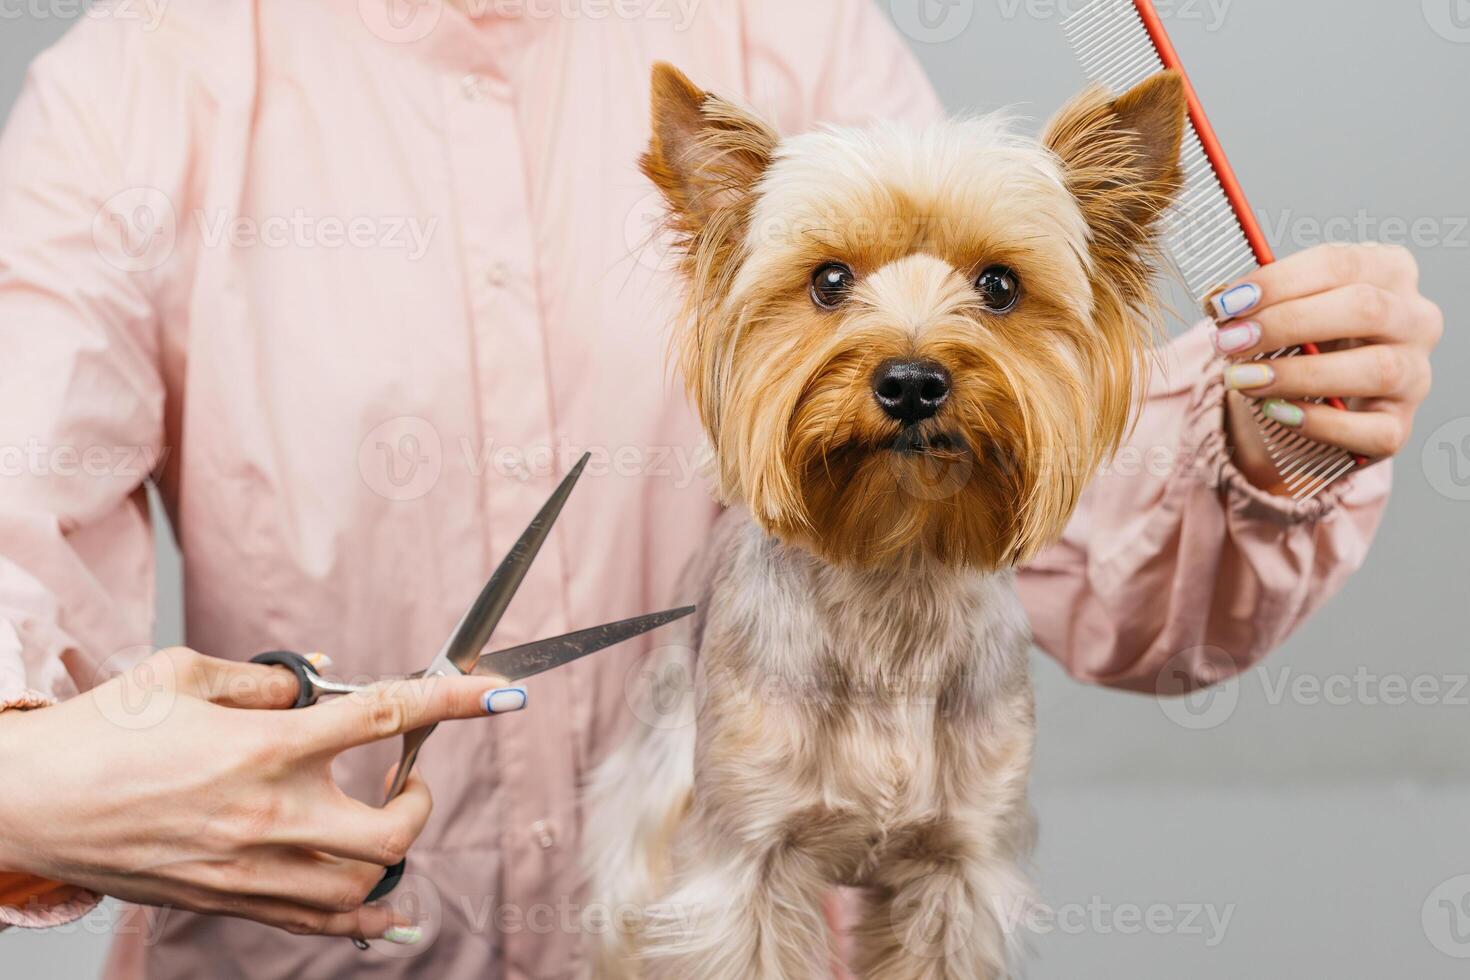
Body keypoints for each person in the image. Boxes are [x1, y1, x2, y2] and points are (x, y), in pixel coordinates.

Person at [0, 2, 1441, 978]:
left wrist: (1268, 441)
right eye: (829, 284)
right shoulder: (146, 83)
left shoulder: (786, 30)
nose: (908, 351)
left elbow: (1078, 553)